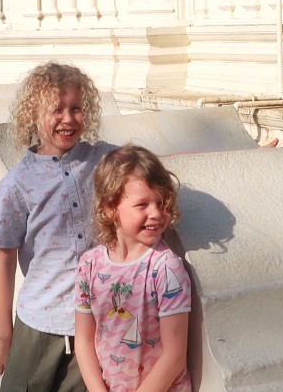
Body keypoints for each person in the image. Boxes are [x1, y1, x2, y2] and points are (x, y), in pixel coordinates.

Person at [0, 61, 113, 391]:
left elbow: (151, 164)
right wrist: (4, 335)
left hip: (93, 321)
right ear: (33, 115)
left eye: (75, 108)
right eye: (56, 110)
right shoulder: (17, 184)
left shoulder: (101, 160)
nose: (68, 119)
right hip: (39, 322)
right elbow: (4, 260)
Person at [74, 146, 191, 392]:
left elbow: (175, 355)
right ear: (109, 208)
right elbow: (84, 341)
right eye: (142, 204)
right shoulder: (89, 266)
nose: (156, 214)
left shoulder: (165, 268)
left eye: (161, 203)